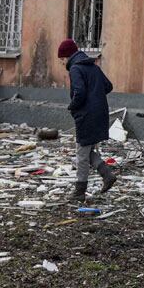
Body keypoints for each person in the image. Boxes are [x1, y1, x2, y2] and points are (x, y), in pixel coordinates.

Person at [57, 38, 117, 202]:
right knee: (87, 150)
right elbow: (108, 86)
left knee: (81, 153)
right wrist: (95, 97)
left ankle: (79, 191)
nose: (62, 63)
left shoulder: (76, 69)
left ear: (68, 56)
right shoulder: (93, 67)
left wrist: (72, 106)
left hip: (86, 116)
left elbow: (79, 92)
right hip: (100, 114)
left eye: (62, 59)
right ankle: (107, 174)